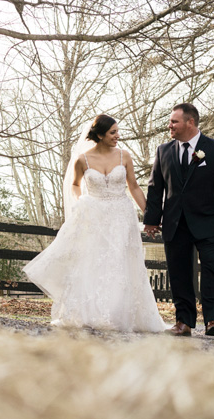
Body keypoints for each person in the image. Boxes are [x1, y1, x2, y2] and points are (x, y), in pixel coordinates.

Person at [24, 114, 166, 333]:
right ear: (99, 135)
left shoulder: (124, 156)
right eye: (113, 132)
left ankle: (121, 314)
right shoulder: (83, 159)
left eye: (118, 131)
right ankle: (93, 312)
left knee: (121, 262)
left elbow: (134, 186)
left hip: (121, 215)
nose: (118, 136)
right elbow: (74, 184)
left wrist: (149, 214)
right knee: (94, 261)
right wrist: (80, 203)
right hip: (95, 215)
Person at [143, 103, 214, 337]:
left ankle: (213, 320)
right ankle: (183, 322)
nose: (170, 126)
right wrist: (152, 220)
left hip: (208, 222)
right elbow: (156, 188)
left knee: (211, 270)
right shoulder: (163, 151)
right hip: (175, 223)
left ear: (190, 123)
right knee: (179, 273)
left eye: (174, 121)